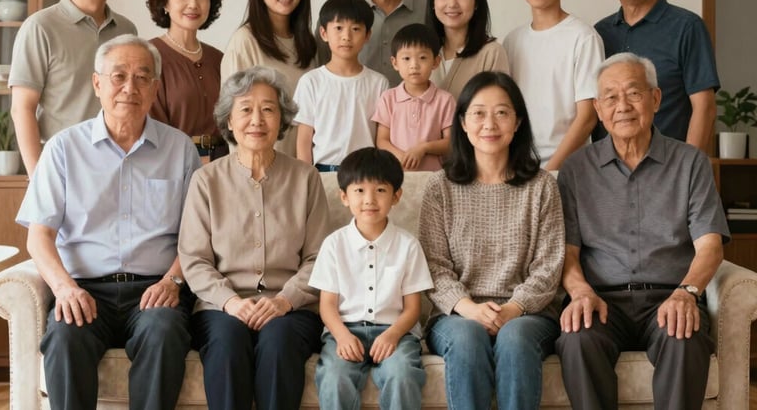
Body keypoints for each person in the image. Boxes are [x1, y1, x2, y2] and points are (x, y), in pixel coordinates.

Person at [16, 35, 201, 410]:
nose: (129, 88)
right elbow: (39, 237)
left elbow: (198, 235)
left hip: (156, 289)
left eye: (142, 77)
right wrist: (64, 288)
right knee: (66, 336)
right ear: (97, 84)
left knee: (164, 332)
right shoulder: (63, 149)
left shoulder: (180, 148)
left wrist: (173, 279)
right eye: (118, 76)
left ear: (155, 88)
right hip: (85, 288)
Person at [556, 52, 730, 410]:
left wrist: (687, 292)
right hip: (603, 300)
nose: (623, 106)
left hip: (670, 296)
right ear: (599, 111)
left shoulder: (690, 163)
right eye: (610, 97)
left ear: (655, 99)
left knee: (685, 335)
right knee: (577, 338)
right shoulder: (575, 171)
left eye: (634, 93)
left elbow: (710, 246)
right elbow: (567, 254)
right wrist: (580, 292)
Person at [178, 66, 330, 410]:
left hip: (291, 307)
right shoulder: (206, 181)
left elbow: (320, 258)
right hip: (221, 306)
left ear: (282, 119)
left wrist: (284, 300)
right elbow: (194, 259)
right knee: (229, 341)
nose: (257, 119)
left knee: (278, 341)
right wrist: (231, 302)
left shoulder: (306, 179)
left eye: (268, 109)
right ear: (229, 121)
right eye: (245, 109)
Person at [419, 72, 565, 410]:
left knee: (514, 338)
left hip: (529, 314)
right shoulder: (439, 188)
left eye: (502, 112)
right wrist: (469, 309)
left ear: (517, 123)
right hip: (456, 316)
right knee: (468, 337)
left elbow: (549, 266)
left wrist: (513, 309)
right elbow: (434, 266)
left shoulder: (542, 186)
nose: (490, 124)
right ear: (463, 123)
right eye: (478, 113)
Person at [310, 147, 434, 410]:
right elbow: (327, 306)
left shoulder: (408, 245)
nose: (369, 199)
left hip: (396, 332)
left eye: (380, 190)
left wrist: (392, 335)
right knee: (334, 378)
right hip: (344, 331)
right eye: (359, 191)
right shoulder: (333, 244)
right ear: (344, 197)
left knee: (402, 375)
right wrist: (342, 336)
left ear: (396, 196)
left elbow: (413, 308)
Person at [9, 0, 137, 176]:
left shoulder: (126, 29)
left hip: (117, 163)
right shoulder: (40, 27)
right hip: (62, 163)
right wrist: (38, 178)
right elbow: (22, 108)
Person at [593, 0, 719, 151]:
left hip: (669, 166)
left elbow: (704, 106)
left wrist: (687, 168)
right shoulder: (598, 33)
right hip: (608, 172)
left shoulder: (686, 27)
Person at [504, 0, 603, 171]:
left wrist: (550, 172)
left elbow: (588, 117)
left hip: (568, 169)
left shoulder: (583, 37)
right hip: (518, 167)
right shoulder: (512, 41)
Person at [221, 0, 316, 156]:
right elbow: (235, 116)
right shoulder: (245, 41)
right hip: (262, 169)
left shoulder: (309, 43)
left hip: (304, 167)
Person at [294, 0, 389, 171]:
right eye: (338, 28)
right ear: (324, 33)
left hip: (367, 171)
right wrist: (306, 177)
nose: (346, 36)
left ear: (367, 35)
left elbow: (381, 136)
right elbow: (304, 138)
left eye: (355, 29)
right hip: (323, 170)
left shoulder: (379, 83)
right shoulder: (311, 81)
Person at [146, 0, 227, 160]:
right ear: (165, 2)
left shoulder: (219, 59)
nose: (193, 4)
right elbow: (151, 126)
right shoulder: (149, 55)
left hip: (222, 167)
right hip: (172, 164)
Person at [372, 23, 455, 171]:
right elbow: (381, 140)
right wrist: (402, 156)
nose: (414, 65)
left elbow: (451, 142)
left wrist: (423, 148)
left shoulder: (445, 100)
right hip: (396, 176)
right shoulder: (388, 98)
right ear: (395, 63)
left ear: (435, 62)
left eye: (422, 57)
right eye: (406, 58)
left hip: (434, 177)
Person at [426, 0, 509, 98]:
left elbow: (497, 108)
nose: (452, 4)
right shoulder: (421, 52)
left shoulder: (491, 53)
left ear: (476, 2)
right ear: (433, 3)